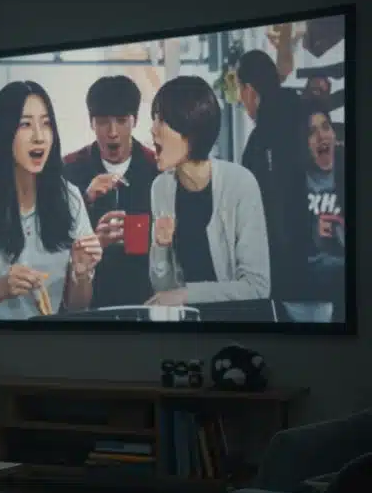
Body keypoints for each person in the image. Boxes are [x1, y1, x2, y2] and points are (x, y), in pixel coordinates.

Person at [0, 81, 102, 320]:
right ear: (4, 131)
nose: (39, 137)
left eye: (46, 124)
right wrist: (1, 289)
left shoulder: (70, 197)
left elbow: (78, 308)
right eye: (25, 124)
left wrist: (81, 274)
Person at [147, 75, 271, 305]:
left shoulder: (240, 183)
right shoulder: (161, 188)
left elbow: (257, 286)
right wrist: (161, 248)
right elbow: (163, 289)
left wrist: (186, 295)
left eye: (161, 120)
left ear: (190, 128)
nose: (152, 130)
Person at [62, 75, 160, 307]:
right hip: (90, 298)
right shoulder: (70, 169)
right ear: (91, 123)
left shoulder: (155, 167)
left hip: (145, 295)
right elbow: (55, 235)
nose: (113, 131)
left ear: (134, 120)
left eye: (121, 120)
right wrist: (85, 199)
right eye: (104, 121)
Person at [236, 49, 312, 304]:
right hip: (322, 240)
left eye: (239, 91)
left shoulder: (262, 137)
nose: (240, 100)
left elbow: (264, 203)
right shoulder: (303, 110)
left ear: (248, 89)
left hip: (284, 257)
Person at [288, 100, 345, 322]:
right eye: (312, 132)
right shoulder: (292, 185)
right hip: (310, 292)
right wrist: (311, 230)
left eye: (325, 127)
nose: (322, 136)